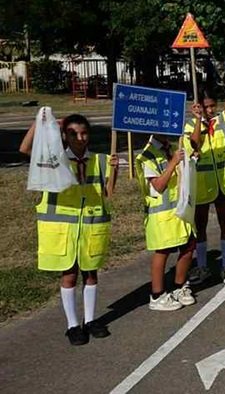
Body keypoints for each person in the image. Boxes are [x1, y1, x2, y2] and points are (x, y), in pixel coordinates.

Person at [20, 114, 118, 345]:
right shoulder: (54, 160)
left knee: (91, 274)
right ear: (65, 135)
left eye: (84, 133)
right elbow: (25, 149)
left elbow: (109, 193)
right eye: (73, 134)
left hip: (90, 229)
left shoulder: (100, 160)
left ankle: (91, 320)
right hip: (62, 231)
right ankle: (73, 325)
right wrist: (40, 122)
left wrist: (115, 171)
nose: (80, 138)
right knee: (69, 275)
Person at [184, 76, 225, 286]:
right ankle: (202, 265)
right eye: (206, 107)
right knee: (200, 225)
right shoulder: (190, 126)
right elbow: (193, 144)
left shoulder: (222, 121)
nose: (210, 110)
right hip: (203, 184)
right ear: (198, 107)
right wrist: (198, 121)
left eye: (213, 106)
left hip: (224, 182)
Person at [135, 134, 196, 312]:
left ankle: (179, 286)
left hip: (180, 210)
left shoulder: (173, 148)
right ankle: (157, 295)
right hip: (162, 215)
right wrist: (173, 163)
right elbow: (158, 186)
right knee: (163, 252)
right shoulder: (147, 155)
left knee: (189, 246)